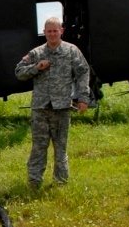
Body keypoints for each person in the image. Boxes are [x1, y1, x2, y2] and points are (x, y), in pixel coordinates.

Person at [15, 17, 90, 187]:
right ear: (44, 32)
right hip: (40, 109)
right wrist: (36, 68)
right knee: (39, 147)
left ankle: (61, 182)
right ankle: (34, 181)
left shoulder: (72, 51)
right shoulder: (36, 53)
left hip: (62, 108)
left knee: (60, 148)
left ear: (61, 31)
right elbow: (18, 72)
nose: (52, 34)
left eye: (55, 31)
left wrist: (83, 97)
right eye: (49, 31)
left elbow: (83, 72)